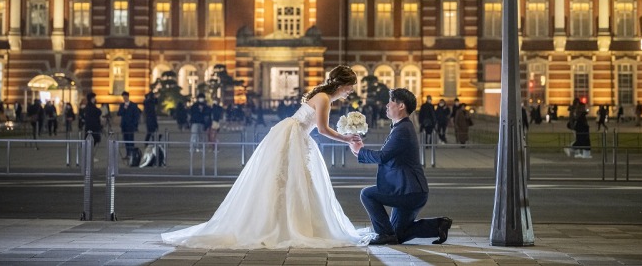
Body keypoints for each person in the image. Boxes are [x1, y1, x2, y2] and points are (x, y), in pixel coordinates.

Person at [161, 65, 367, 249]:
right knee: (291, 179)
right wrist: (346, 138)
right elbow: (322, 130)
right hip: (294, 136)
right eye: (350, 86)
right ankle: (284, 224)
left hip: (293, 133)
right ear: (341, 84)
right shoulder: (324, 99)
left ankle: (280, 221)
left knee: (287, 180)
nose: (350, 91)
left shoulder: (322, 96)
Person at [349, 88, 452, 246]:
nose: (387, 105)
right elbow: (386, 155)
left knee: (367, 194)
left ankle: (384, 234)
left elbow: (383, 157)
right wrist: (360, 151)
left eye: (391, 102)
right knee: (398, 234)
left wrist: (361, 152)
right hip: (412, 190)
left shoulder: (402, 130)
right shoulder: (401, 128)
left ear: (401, 106)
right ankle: (437, 226)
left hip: (408, 191)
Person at [117, 91, 141, 158]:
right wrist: (124, 108)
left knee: (131, 140)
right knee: (126, 140)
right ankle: (128, 154)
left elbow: (137, 115)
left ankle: (132, 154)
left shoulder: (133, 105)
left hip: (130, 126)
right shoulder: (122, 105)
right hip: (124, 126)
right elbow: (119, 113)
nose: (124, 98)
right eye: (123, 97)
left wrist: (134, 124)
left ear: (128, 97)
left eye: (125, 97)